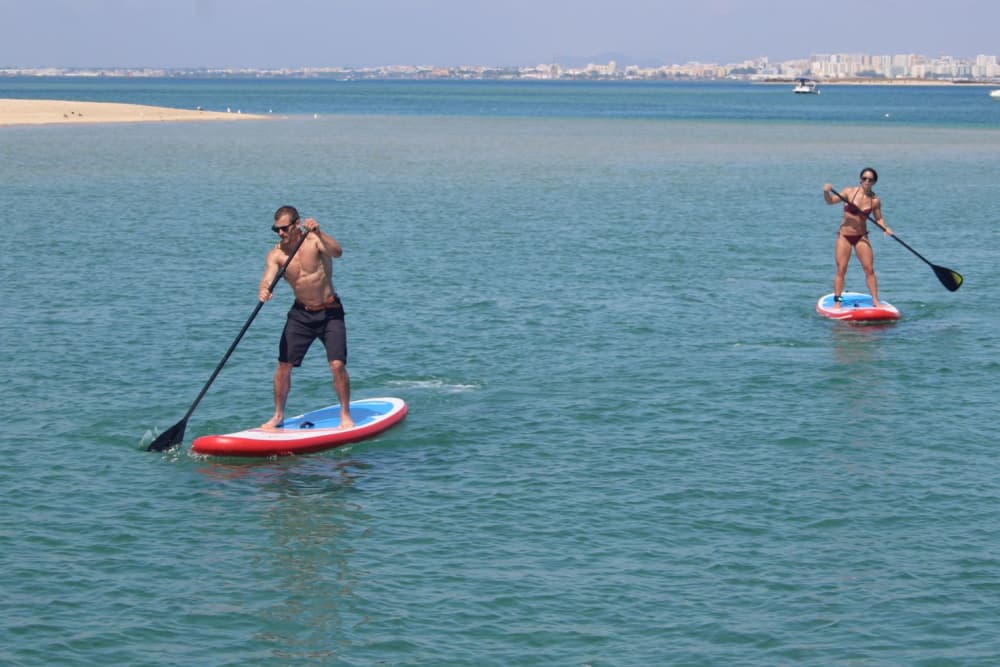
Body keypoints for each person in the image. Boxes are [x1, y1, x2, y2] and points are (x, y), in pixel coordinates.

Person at [258, 205, 354, 429]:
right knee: (283, 365)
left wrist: (319, 232)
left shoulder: (314, 241)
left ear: (297, 224)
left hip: (330, 312)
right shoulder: (277, 254)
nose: (280, 234)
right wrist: (264, 289)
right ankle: (278, 415)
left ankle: (345, 414)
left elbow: (338, 252)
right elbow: (267, 278)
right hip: (301, 313)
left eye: (284, 229)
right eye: (276, 230)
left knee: (337, 365)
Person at [823, 168, 894, 307]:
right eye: (864, 178)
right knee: (841, 269)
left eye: (870, 179)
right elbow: (830, 201)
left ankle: (875, 300)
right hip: (844, 236)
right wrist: (826, 191)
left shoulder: (875, 200)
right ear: (860, 179)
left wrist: (885, 227)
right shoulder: (849, 192)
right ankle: (838, 301)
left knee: (869, 269)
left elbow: (878, 218)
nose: (867, 181)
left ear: (874, 182)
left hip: (861, 237)